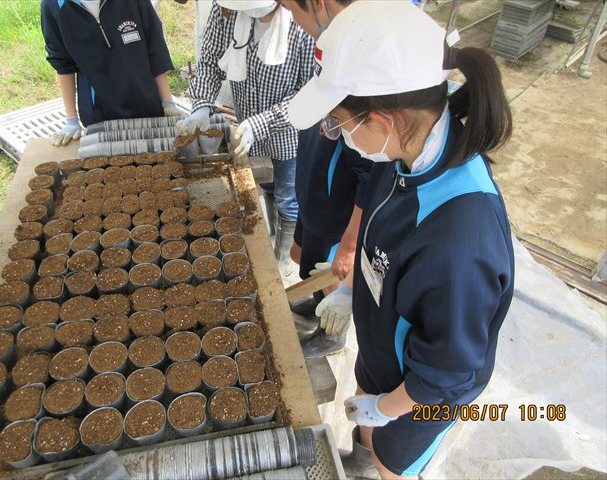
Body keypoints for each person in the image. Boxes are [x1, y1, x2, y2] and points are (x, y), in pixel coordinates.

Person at [288, 3, 514, 479]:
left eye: (341, 123)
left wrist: (387, 408)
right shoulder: (404, 154)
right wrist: (355, 289)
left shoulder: (459, 241)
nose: (337, 134)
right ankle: (366, 454)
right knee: (369, 434)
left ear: (385, 119)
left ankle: (383, 463)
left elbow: (447, 372)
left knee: (394, 461)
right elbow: (382, 231)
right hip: (384, 355)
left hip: (421, 398)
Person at [179, 1, 315, 276]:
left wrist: (261, 124)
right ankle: (274, 237)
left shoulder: (301, 22)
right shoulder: (227, 11)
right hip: (247, 122)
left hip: (289, 130)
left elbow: (309, 92)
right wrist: (202, 106)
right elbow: (209, 63)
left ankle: (286, 258)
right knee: (267, 187)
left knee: (289, 195)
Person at [279, 0, 372, 358]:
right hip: (317, 182)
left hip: (340, 206)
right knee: (312, 261)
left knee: (334, 268)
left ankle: (332, 334)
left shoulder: (360, 62)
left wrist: (349, 246)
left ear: (318, 4)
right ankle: (315, 299)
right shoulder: (329, 41)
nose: (293, 20)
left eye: (292, 10)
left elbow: (367, 174)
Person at [41, 0, 183, 147]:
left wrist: (168, 102)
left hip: (148, 106)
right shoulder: (54, 6)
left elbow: (155, 47)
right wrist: (71, 120)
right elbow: (63, 64)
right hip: (99, 116)